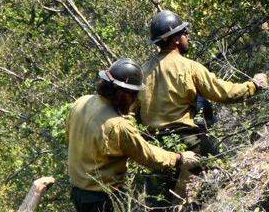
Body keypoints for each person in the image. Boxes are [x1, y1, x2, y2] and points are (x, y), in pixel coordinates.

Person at [137, 10, 267, 208]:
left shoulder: (142, 71)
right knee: (223, 173)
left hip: (153, 147)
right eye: (185, 32)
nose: (188, 35)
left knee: (156, 205)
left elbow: (133, 113)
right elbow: (223, 93)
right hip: (188, 142)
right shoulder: (189, 67)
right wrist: (253, 85)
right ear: (176, 40)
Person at [66, 58, 197, 212]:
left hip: (78, 193)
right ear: (123, 94)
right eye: (134, 94)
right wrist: (179, 158)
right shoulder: (119, 126)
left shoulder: (81, 103)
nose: (136, 99)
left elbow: (70, 136)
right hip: (104, 198)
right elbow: (147, 156)